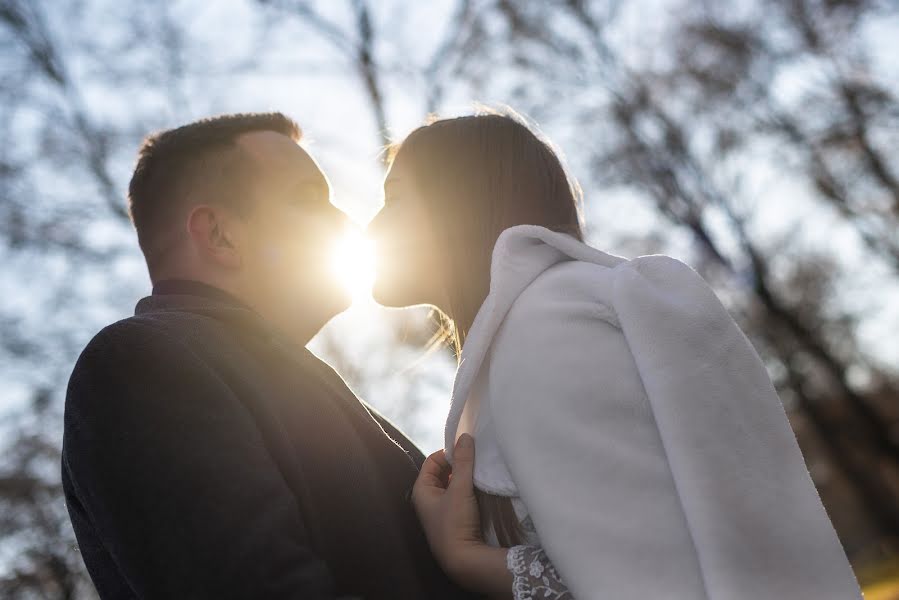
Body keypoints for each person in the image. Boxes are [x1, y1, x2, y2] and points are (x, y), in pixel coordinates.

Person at [366, 110, 863, 599]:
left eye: (394, 200)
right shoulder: (538, 324)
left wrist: (466, 559)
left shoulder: (547, 325)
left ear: (457, 204)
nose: (370, 229)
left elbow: (657, 585)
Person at [61, 112, 480, 599]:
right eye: (310, 200)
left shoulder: (277, 374)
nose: (347, 223)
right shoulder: (138, 366)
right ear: (220, 235)